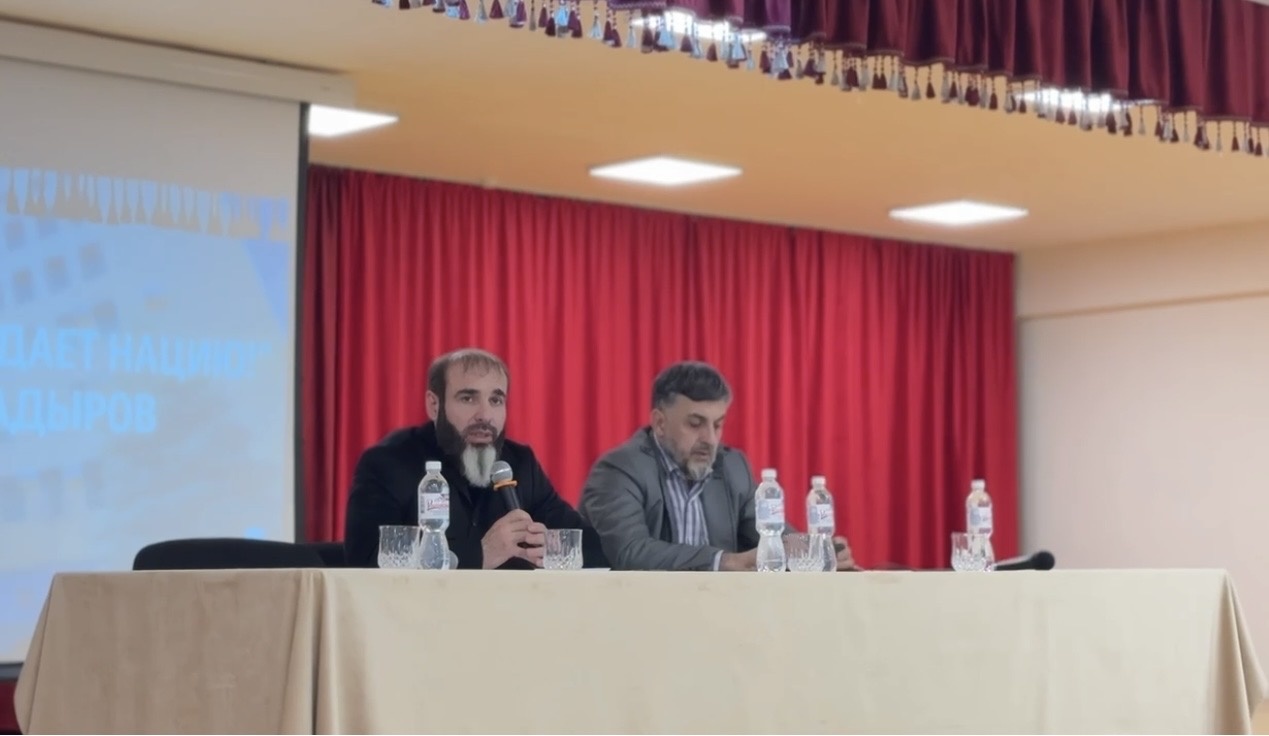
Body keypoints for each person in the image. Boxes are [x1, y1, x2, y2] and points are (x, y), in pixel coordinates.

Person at [343, 348, 608, 570]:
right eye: (468, 398)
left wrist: (551, 548)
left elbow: (594, 549)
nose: (485, 415)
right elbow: (365, 564)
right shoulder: (388, 464)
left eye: (496, 400)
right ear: (434, 405)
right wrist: (480, 554)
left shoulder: (520, 463)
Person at [579, 361, 857, 571]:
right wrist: (722, 561)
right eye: (695, 424)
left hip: (720, 611)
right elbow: (629, 552)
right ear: (660, 423)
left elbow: (769, 534)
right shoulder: (619, 470)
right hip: (637, 612)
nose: (710, 439)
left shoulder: (732, 466)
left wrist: (811, 552)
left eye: (718, 424)